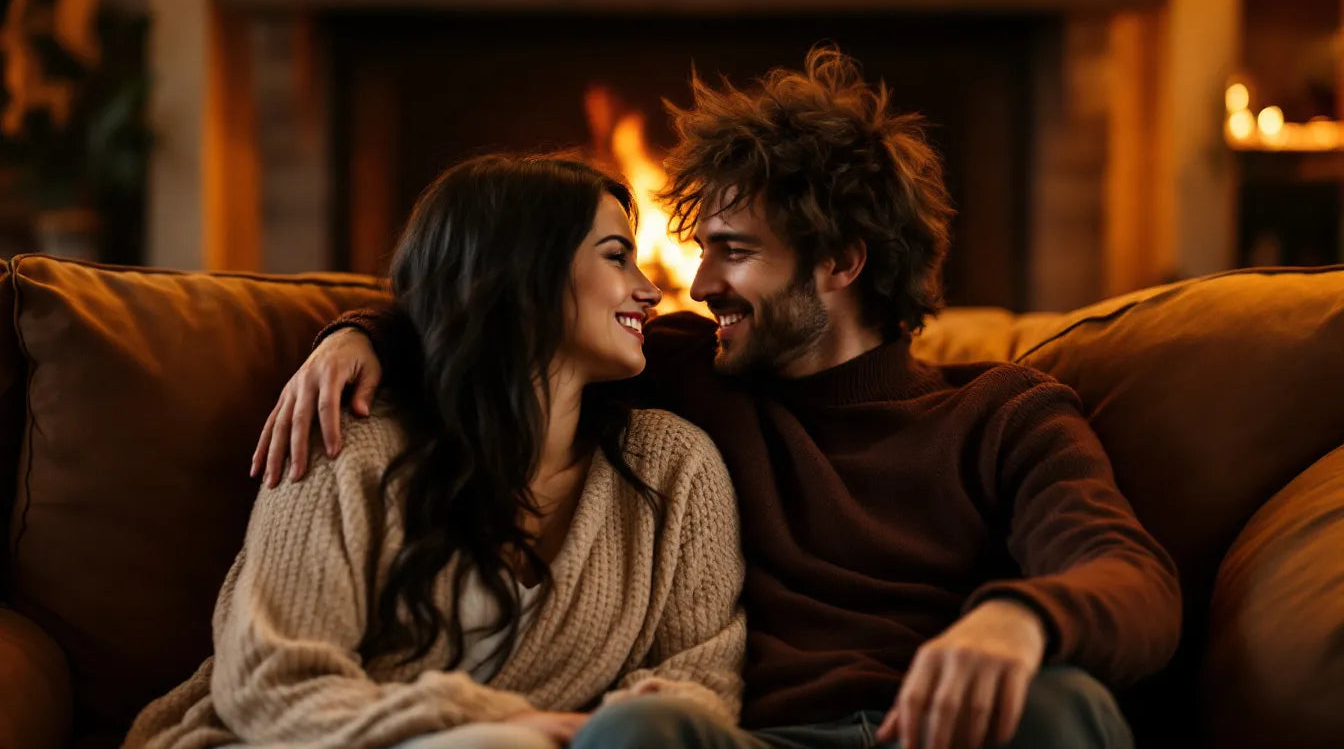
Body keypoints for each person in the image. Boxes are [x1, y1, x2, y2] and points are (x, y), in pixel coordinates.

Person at [255, 47, 1181, 749]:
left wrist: (1020, 618)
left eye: (732, 251)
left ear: (839, 264)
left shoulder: (1008, 414)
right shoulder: (691, 371)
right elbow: (506, 316)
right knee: (632, 734)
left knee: (1065, 705)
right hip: (746, 740)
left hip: (941, 732)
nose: (695, 284)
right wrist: (365, 333)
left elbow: (1135, 583)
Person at [124, 154, 746, 749]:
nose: (652, 292)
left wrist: (605, 732)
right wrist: (503, 725)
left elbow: (699, 682)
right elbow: (271, 685)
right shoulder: (349, 446)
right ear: (520, 274)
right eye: (618, 258)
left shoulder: (673, 468)